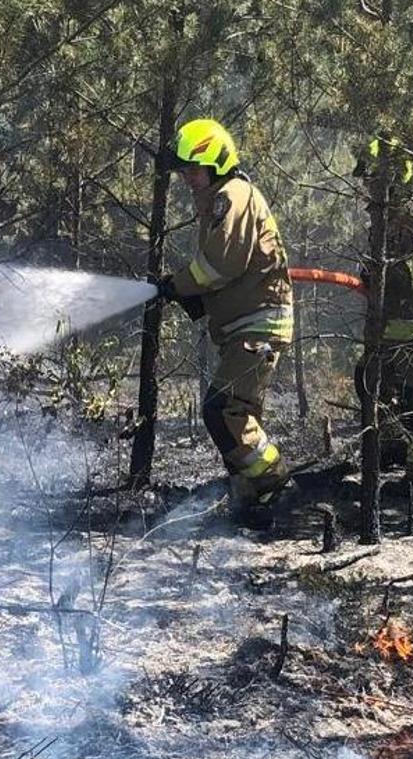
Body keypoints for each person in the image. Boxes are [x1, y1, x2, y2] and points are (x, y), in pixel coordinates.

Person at [153, 119, 294, 527]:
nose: (186, 179)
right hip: (245, 324)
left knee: (223, 409)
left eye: (192, 170)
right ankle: (250, 499)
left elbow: (221, 265)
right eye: (183, 172)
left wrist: (178, 286)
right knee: (234, 411)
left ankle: (274, 484)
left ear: (216, 162)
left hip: (259, 324)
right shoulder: (222, 200)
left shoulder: (233, 195)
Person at [353, 136, 413, 502]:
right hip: (385, 329)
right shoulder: (385, 216)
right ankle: (390, 453)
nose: (366, 187)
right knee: (375, 388)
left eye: (372, 179)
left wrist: (383, 276)